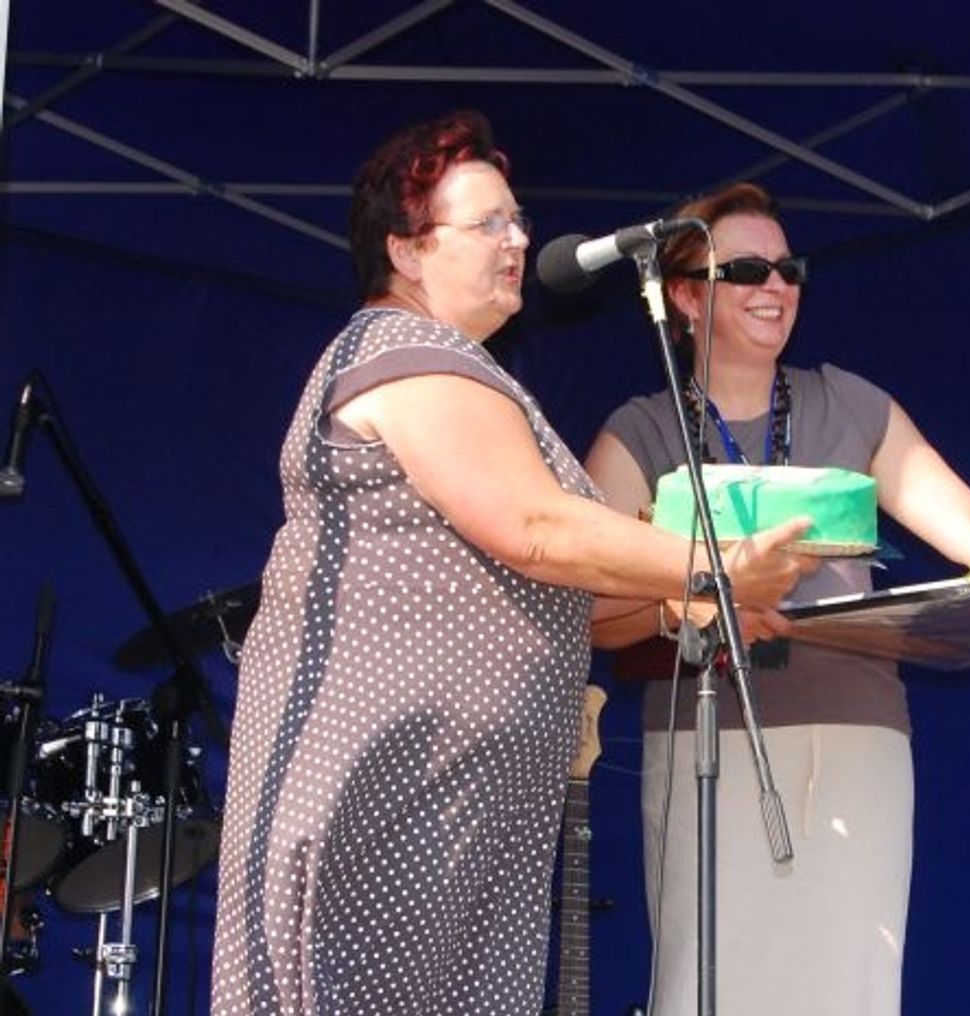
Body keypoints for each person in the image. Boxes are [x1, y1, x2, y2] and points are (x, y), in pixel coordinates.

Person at [208, 115, 813, 1016]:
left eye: (518, 220)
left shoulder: (459, 367)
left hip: (459, 807)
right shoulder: (403, 354)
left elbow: (558, 567)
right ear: (406, 250)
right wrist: (716, 567)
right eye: (487, 223)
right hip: (398, 797)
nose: (519, 240)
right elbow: (533, 526)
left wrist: (678, 603)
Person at [582, 181, 970, 1016]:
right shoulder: (640, 431)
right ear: (684, 296)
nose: (775, 287)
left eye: (788, 269)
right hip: (708, 742)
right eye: (745, 271)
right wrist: (686, 602)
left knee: (853, 988)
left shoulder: (851, 403)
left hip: (861, 738)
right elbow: (589, 607)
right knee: (708, 987)